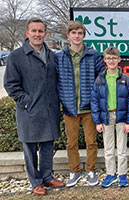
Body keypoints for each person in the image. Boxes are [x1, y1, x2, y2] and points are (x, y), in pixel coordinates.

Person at [4, 18, 65, 195]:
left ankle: (47, 177)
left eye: (40, 31)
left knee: (47, 145)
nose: (37, 34)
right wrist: (27, 101)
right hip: (29, 110)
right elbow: (11, 85)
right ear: (27, 33)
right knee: (30, 149)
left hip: (49, 109)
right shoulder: (16, 56)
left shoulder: (52, 55)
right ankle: (35, 182)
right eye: (34, 31)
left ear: (45, 33)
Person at [55, 21, 105, 187]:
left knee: (91, 142)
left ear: (84, 35)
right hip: (70, 107)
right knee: (71, 143)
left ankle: (90, 170)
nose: (77, 36)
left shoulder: (93, 55)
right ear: (68, 35)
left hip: (89, 107)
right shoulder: (59, 57)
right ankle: (74, 171)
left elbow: (101, 78)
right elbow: (55, 81)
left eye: (80, 33)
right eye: (74, 33)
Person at [91, 47, 129, 187]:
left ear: (119, 60)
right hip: (106, 117)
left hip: (121, 117)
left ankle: (122, 174)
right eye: (108, 58)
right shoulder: (100, 79)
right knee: (108, 148)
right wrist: (97, 121)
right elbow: (95, 101)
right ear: (104, 60)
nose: (111, 61)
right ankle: (111, 174)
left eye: (114, 58)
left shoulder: (126, 79)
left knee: (122, 148)